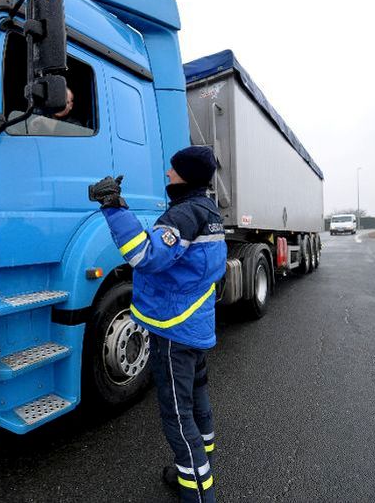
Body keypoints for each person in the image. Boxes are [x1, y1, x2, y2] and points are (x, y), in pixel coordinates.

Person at [88, 145, 227, 503]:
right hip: (195, 324)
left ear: (186, 175)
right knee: (197, 398)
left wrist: (113, 207)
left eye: (172, 169)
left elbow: (143, 255)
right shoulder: (208, 211)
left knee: (177, 414)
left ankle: (197, 491)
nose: (167, 174)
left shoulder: (183, 215)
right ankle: (202, 461)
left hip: (174, 330)